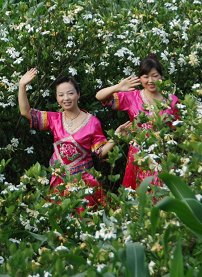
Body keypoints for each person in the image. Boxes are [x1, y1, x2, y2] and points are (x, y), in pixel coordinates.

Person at [18, 68, 128, 210]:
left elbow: (101, 152)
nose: (66, 98)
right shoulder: (55, 119)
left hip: (84, 184)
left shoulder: (92, 122)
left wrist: (115, 137)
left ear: (78, 95)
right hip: (59, 182)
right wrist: (22, 86)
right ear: (57, 99)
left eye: (70, 93)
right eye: (61, 95)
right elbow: (26, 112)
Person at [95, 54, 179, 189]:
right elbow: (100, 96)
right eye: (146, 76)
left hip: (162, 154)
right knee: (138, 197)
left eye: (155, 75)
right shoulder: (132, 97)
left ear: (162, 76)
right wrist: (118, 87)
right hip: (138, 155)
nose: (150, 80)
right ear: (140, 78)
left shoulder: (172, 100)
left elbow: (178, 131)